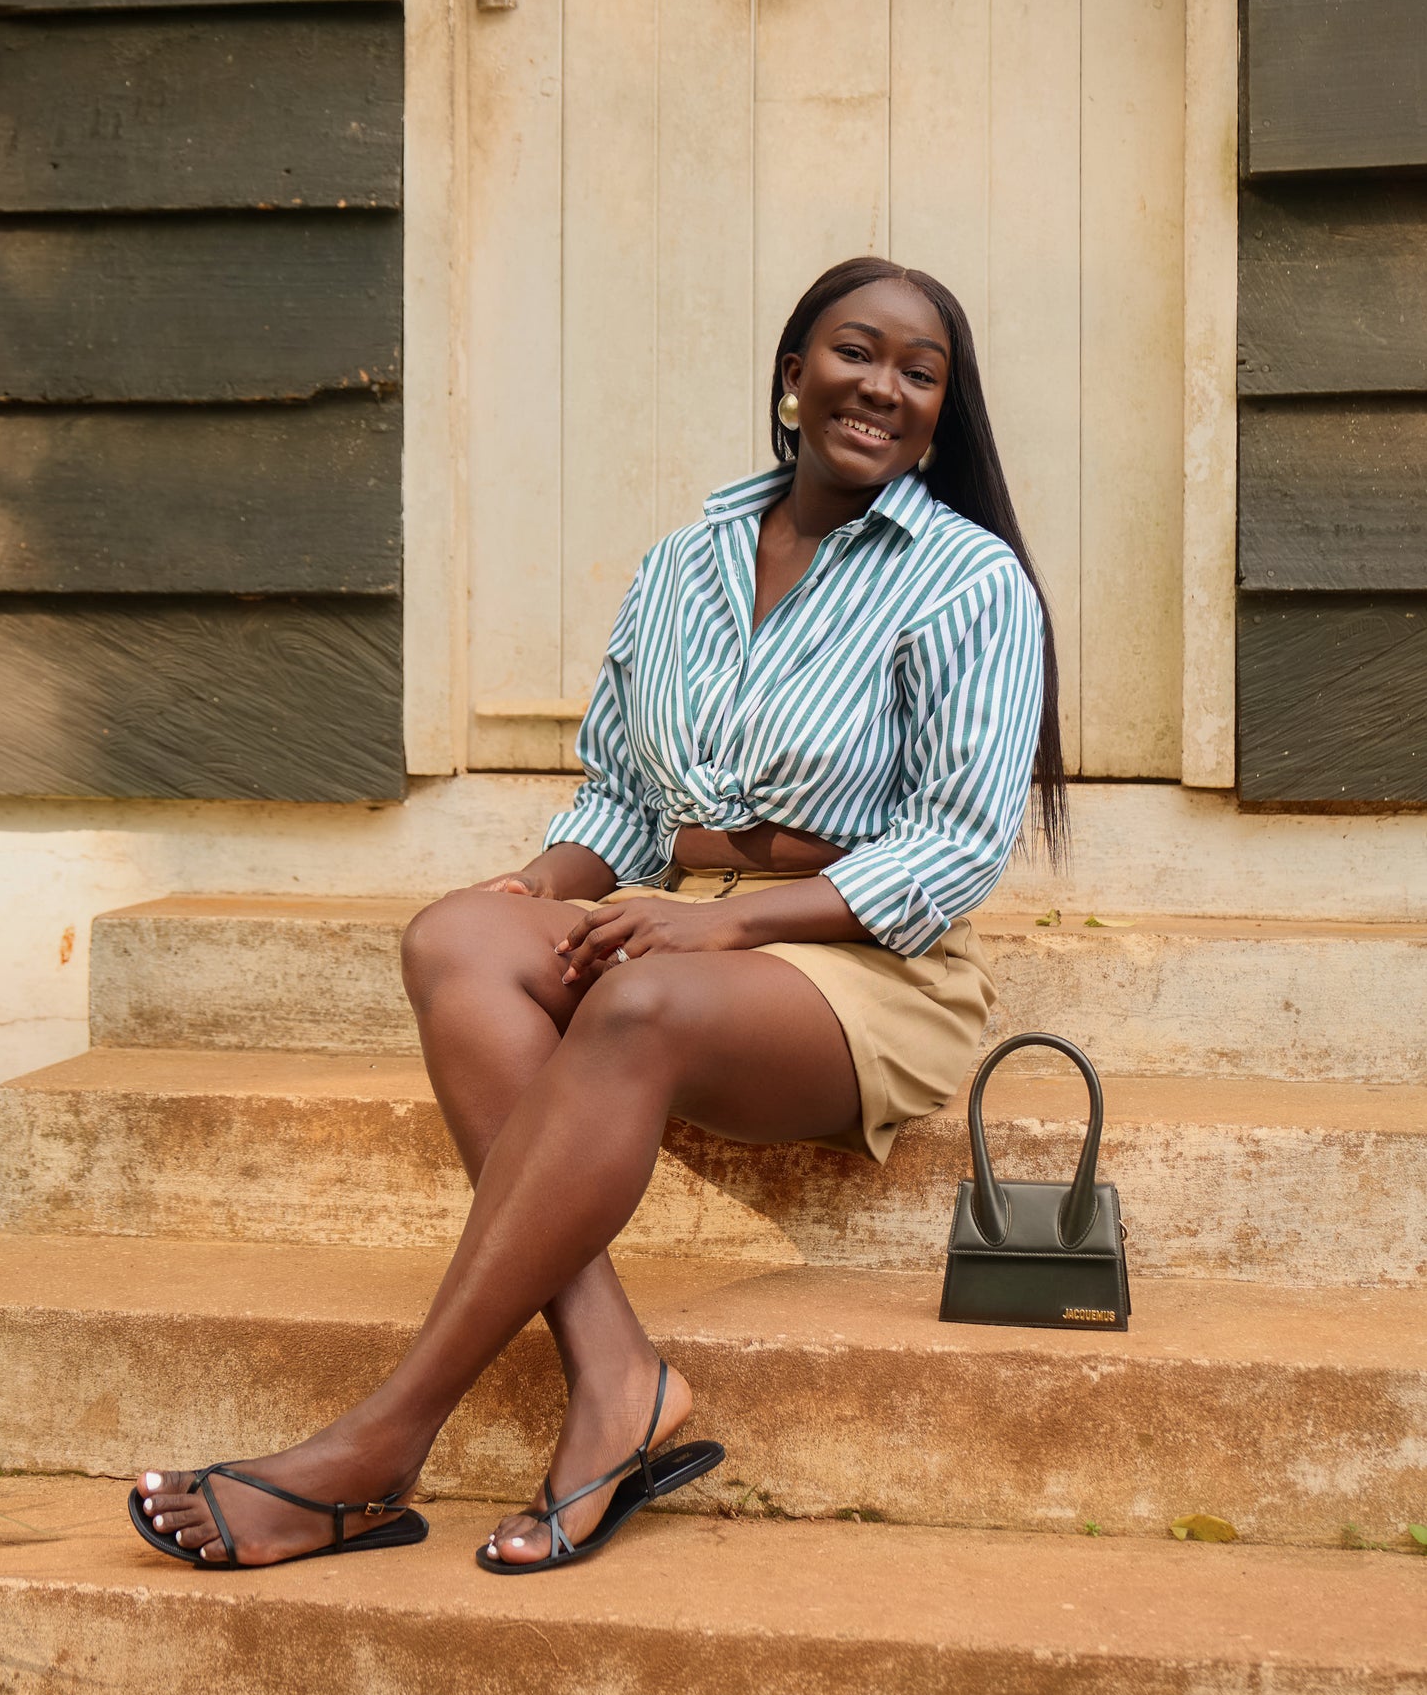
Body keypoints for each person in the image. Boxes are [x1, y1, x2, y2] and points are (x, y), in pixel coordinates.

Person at [130, 256, 1067, 1574]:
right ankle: (617, 1374)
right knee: (456, 938)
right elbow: (620, 801)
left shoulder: (967, 583)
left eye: (922, 373)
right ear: (791, 373)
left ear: (938, 414)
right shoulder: (683, 565)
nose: (885, 388)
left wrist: (728, 925)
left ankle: (382, 1443)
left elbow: (956, 851)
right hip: (683, 930)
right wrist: (532, 892)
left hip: (860, 961)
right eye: (857, 353)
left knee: (638, 993)